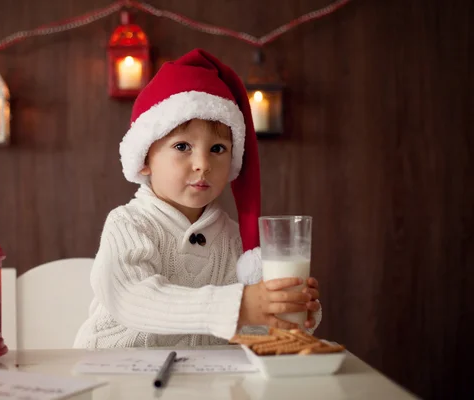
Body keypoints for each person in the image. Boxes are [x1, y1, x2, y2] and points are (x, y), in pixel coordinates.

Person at [74, 48, 321, 349]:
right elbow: (130, 297)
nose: (203, 163)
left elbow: (237, 333)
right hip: (113, 374)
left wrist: (282, 315)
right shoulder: (129, 224)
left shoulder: (232, 241)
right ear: (144, 158)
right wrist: (237, 306)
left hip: (195, 381)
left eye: (217, 149)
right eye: (182, 146)